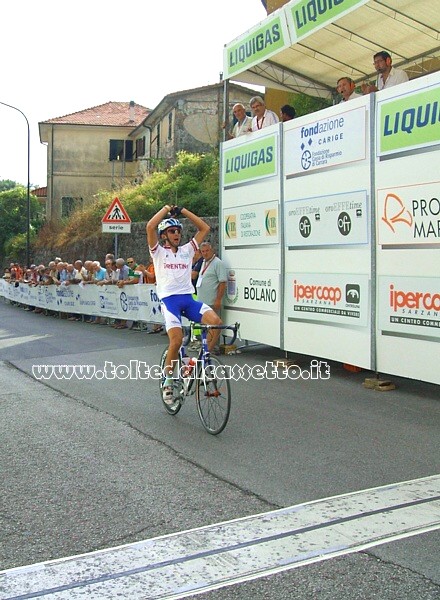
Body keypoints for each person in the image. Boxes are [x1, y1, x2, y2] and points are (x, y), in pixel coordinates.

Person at [146, 204, 222, 405]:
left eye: (178, 231)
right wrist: (165, 209)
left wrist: (184, 211)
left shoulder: (188, 250)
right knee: (177, 340)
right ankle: (168, 380)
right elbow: (149, 226)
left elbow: (204, 228)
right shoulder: (158, 252)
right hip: (169, 300)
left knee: (216, 322)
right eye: (172, 231)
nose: (176, 234)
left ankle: (199, 363)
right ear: (164, 235)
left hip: (189, 299)